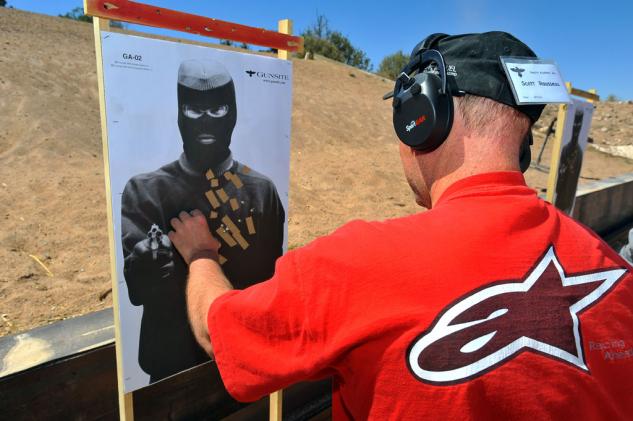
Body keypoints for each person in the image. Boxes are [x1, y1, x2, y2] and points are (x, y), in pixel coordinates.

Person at [168, 32, 633, 419]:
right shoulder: (613, 271)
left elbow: (220, 332)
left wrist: (201, 254)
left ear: (420, 119)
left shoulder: (357, 264)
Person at [121, 58, 285, 383]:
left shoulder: (262, 191)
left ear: (233, 112)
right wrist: (147, 263)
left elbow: (271, 284)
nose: (206, 122)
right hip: (171, 370)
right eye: (195, 111)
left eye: (218, 110)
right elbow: (137, 292)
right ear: (181, 114)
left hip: (247, 360)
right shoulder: (145, 191)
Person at [555, 108, 586, 214]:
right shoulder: (565, 149)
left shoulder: (579, 153)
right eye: (575, 124)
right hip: (560, 198)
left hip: (569, 198)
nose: (576, 128)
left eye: (579, 124)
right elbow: (560, 174)